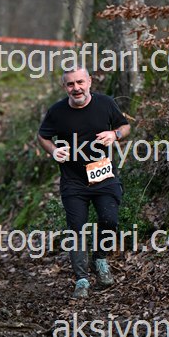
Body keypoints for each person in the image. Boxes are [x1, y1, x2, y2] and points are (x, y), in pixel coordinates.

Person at [37, 65, 130, 299]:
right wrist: (53, 150)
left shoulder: (105, 103)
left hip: (103, 176)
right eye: (70, 84)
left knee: (109, 220)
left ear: (89, 82)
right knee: (76, 229)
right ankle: (81, 279)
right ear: (64, 87)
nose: (76, 88)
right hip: (74, 181)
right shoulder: (57, 111)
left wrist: (115, 135)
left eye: (80, 82)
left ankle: (100, 259)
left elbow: (125, 126)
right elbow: (43, 136)